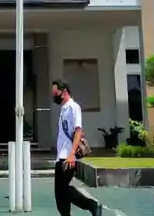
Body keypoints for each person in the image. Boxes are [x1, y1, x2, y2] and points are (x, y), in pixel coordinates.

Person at [52, 80, 102, 216]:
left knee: (63, 190)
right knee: (60, 195)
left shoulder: (74, 107)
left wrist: (72, 154)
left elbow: (78, 131)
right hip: (61, 156)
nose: (54, 95)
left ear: (64, 91)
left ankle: (92, 205)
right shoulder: (63, 109)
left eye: (56, 93)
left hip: (68, 156)